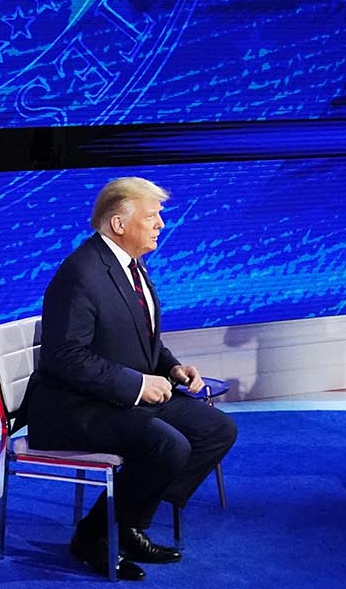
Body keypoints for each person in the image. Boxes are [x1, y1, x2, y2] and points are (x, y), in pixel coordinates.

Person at [24, 177, 238, 581]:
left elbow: (141, 335)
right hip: (76, 407)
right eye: (153, 217)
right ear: (119, 224)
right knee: (167, 445)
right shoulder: (80, 274)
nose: (160, 224)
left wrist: (170, 368)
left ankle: (125, 524)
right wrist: (139, 385)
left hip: (118, 396)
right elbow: (65, 356)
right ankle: (94, 535)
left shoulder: (129, 266)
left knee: (216, 429)